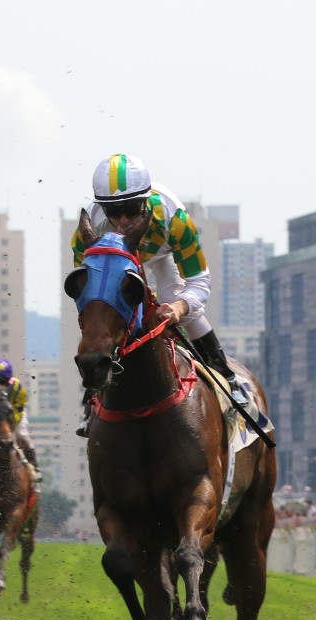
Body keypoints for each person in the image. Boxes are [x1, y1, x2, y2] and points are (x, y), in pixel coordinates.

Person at [71, 153, 249, 437]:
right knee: (105, 314)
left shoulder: (175, 221)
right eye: (113, 211)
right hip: (119, 262)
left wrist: (179, 306)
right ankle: (91, 397)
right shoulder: (90, 228)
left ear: (144, 201)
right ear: (101, 209)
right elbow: (88, 285)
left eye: (131, 208)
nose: (123, 219)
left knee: (182, 307)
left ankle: (227, 378)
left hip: (162, 254)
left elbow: (200, 281)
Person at [0, 358, 40, 481]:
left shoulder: (18, 388)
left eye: (4, 382)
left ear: (9, 380)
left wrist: (9, 426)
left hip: (15, 417)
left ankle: (34, 467)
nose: (0, 385)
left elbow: (19, 409)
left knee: (23, 436)